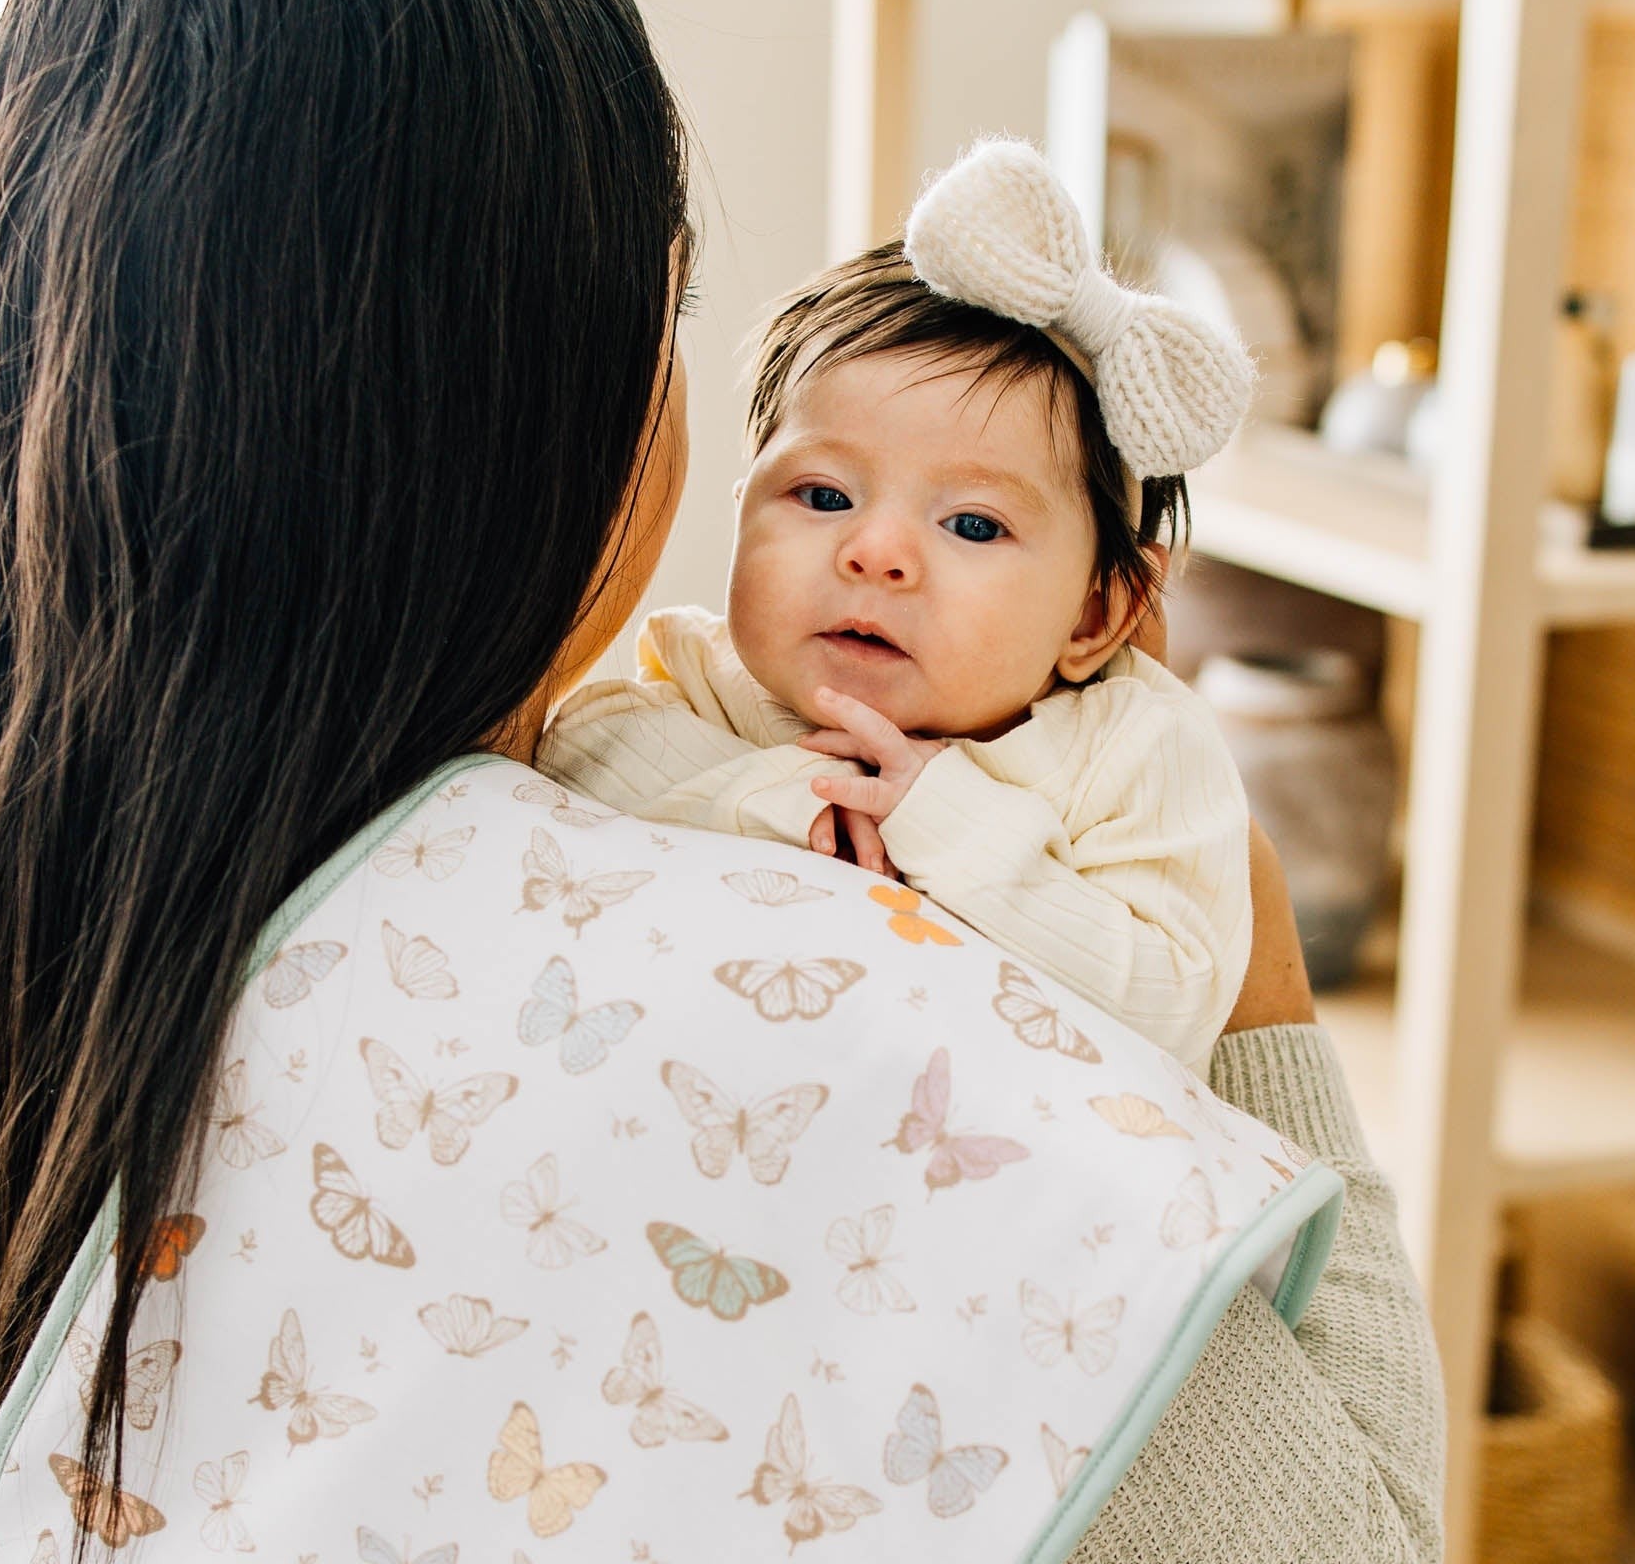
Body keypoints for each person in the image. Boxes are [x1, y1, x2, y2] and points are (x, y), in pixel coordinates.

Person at [0, 0, 1442, 1564]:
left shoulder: (56, 894)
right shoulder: (838, 1012)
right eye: (669, 315)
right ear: (518, 405)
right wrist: (1262, 978)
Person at [539, 144, 1258, 1073]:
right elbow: (572, 760)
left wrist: (944, 823)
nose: (873, 553)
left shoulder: (1131, 751)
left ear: (1095, 617)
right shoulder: (719, 681)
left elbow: (1175, 1001)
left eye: (971, 523)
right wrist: (785, 796)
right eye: (824, 497)